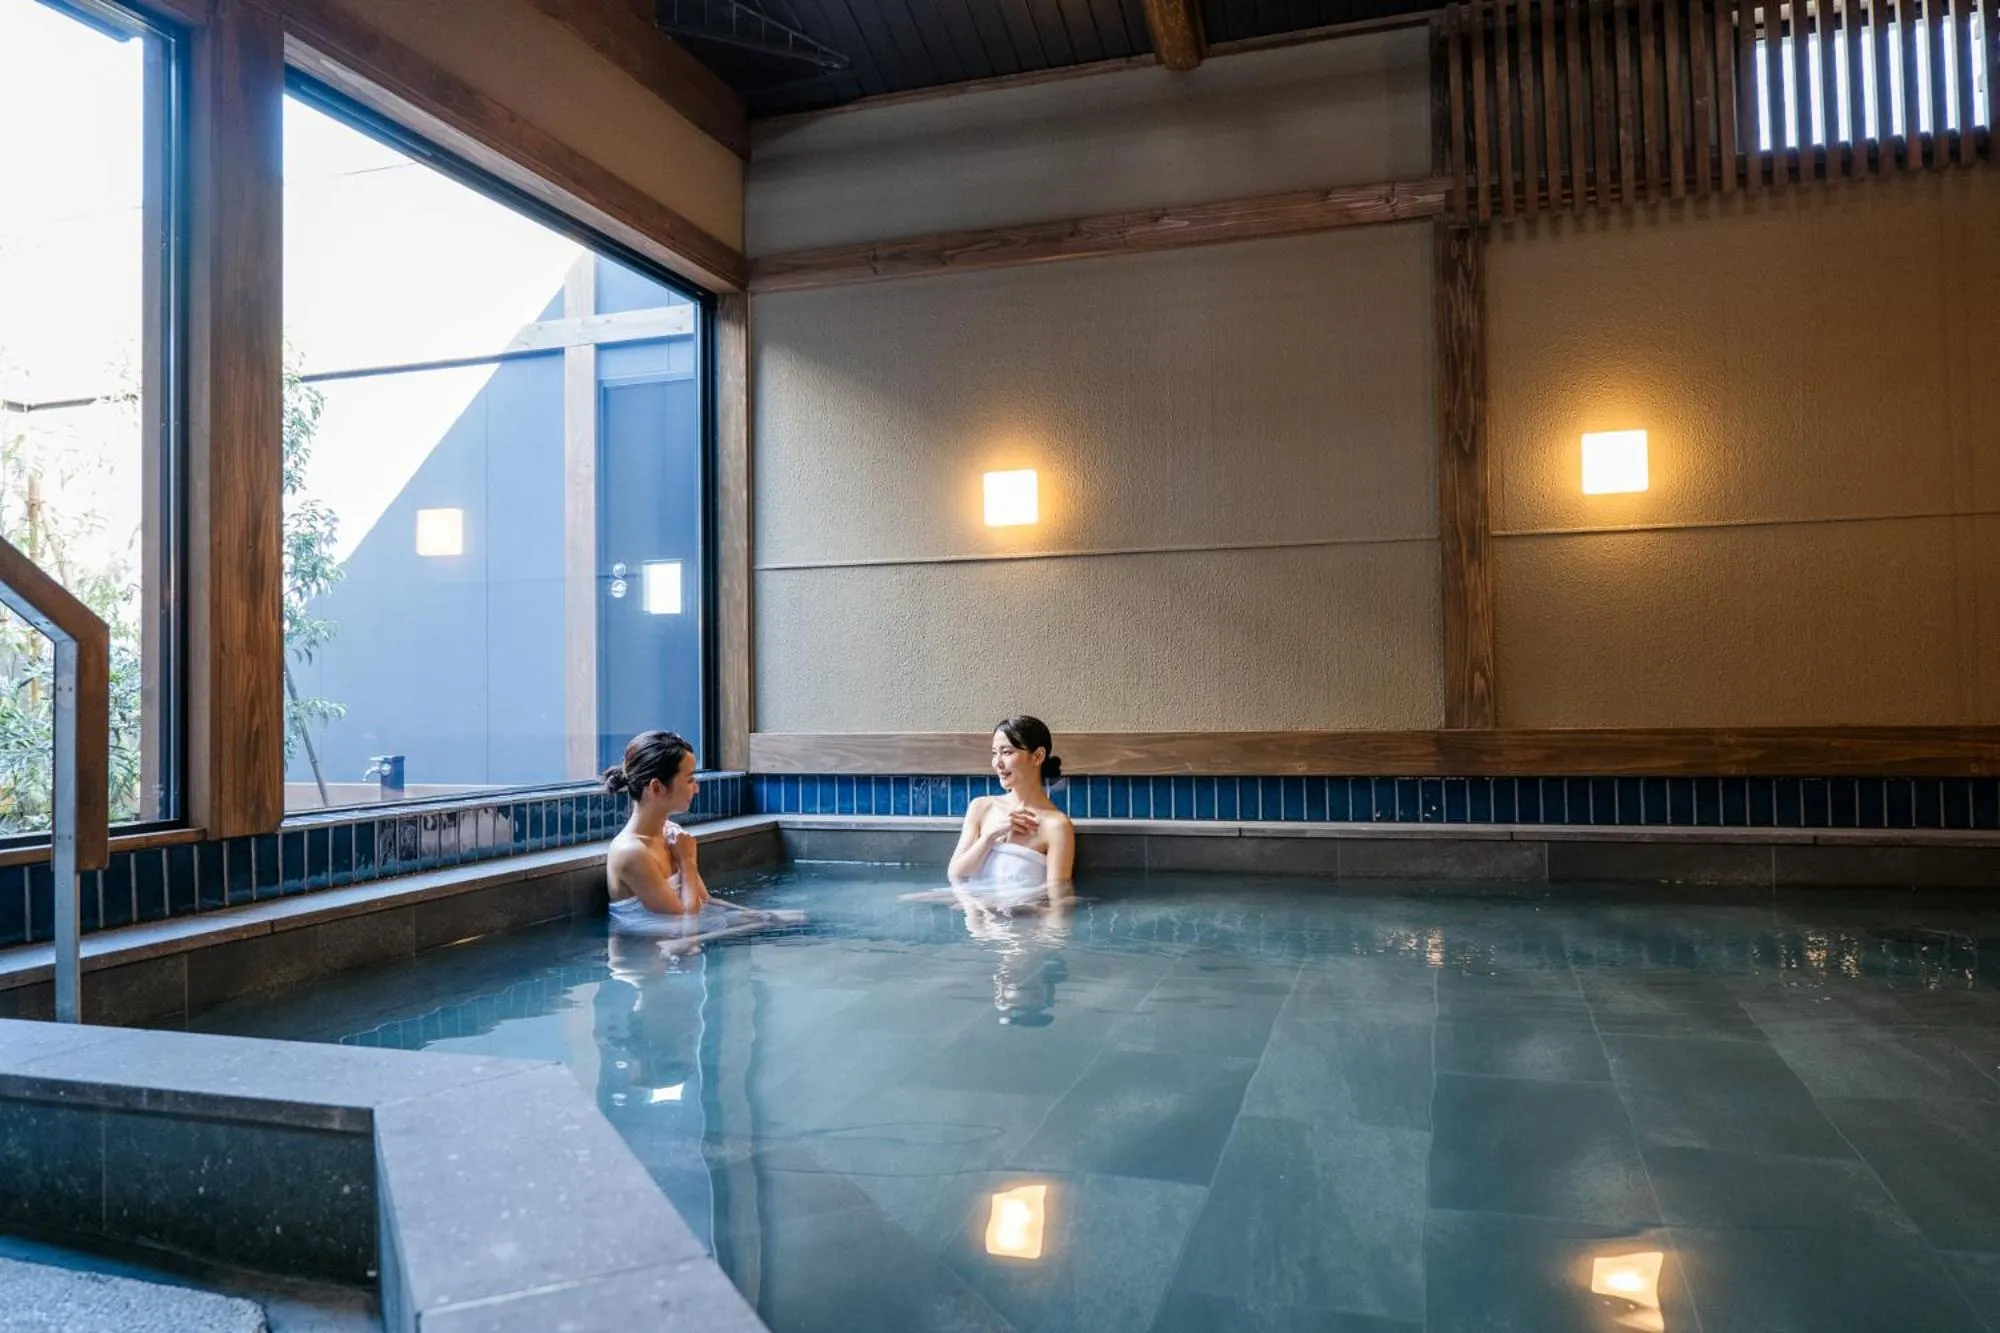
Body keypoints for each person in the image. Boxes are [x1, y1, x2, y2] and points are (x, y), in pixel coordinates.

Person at [604, 730, 800, 950]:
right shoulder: (632, 852)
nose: (696, 788)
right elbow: (688, 920)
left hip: (678, 947)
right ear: (656, 788)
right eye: (689, 780)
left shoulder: (671, 834)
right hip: (646, 962)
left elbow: (703, 901)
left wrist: (763, 916)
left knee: (797, 920)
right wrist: (687, 860)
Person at [941, 715, 1076, 908]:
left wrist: (1049, 938)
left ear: (1037, 756)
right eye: (994, 753)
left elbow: (1059, 900)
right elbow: (955, 873)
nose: (998, 763)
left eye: (1006, 752)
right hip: (977, 920)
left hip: (1023, 924)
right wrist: (990, 837)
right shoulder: (981, 807)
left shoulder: (1056, 826)